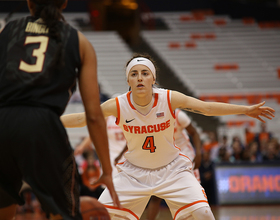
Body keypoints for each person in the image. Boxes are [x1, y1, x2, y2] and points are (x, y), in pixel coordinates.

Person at [60, 53, 275, 220]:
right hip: (132, 174)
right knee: (103, 215)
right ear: (128, 80)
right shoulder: (118, 104)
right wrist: (49, 120)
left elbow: (206, 108)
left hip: (173, 170)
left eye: (145, 73)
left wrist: (245, 110)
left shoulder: (169, 98)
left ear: (153, 77)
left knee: (203, 214)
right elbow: (82, 118)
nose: (140, 78)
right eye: (134, 74)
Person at [0, 1, 120, 220]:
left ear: (29, 2)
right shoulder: (79, 41)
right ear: (64, 3)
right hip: (41, 124)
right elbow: (94, 116)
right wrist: (108, 171)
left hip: (2, 119)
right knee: (64, 212)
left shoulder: (8, 30)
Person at [145, 108, 202, 220]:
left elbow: (194, 132)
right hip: (165, 157)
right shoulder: (151, 117)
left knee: (194, 192)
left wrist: (199, 153)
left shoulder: (179, 115)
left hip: (185, 155)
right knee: (156, 195)